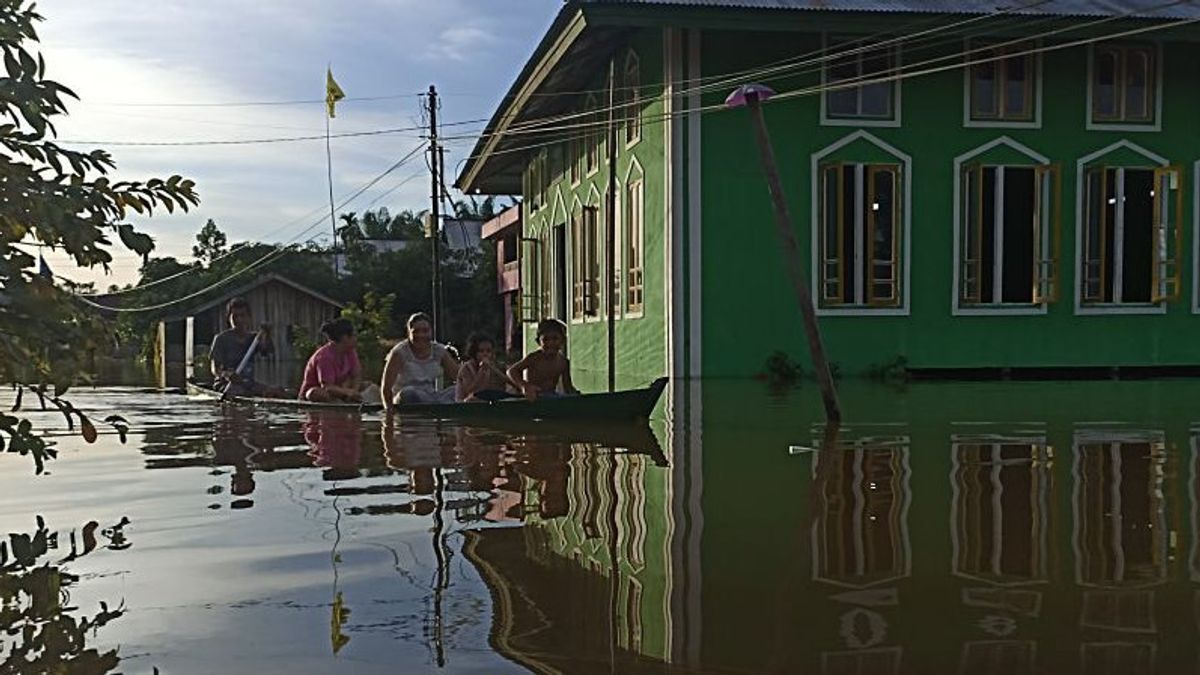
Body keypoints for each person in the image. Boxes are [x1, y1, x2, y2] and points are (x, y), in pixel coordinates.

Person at [380, 312, 460, 406]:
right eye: (416, 332)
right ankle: (437, 406)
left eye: (425, 331)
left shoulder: (439, 351)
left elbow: (460, 378)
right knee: (409, 393)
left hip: (431, 396)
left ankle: (437, 406)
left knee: (456, 390)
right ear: (409, 333)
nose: (421, 335)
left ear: (431, 331)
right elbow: (386, 388)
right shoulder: (399, 353)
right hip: (407, 398)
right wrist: (389, 411)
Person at [209, 297, 284, 397]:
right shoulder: (221, 339)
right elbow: (215, 369)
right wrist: (227, 375)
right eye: (235, 316)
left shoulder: (254, 339)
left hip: (249, 384)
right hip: (227, 385)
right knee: (240, 392)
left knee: (279, 391)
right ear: (229, 318)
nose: (239, 320)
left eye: (242, 316)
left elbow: (267, 351)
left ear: (249, 317)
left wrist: (267, 334)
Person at [506, 319, 579, 400]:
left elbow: (568, 387)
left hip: (551, 398)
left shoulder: (563, 362)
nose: (550, 343)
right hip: (532, 398)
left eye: (555, 338)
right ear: (538, 342)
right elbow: (511, 371)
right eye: (545, 339)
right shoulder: (534, 358)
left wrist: (577, 395)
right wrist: (524, 386)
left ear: (563, 340)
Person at [299, 319, 363, 402]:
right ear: (345, 337)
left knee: (370, 386)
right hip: (323, 393)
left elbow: (356, 375)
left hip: (341, 391)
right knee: (315, 393)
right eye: (354, 335)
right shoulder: (324, 357)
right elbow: (328, 387)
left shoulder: (350, 352)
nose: (356, 338)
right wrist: (348, 392)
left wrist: (355, 391)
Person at [455, 333, 521, 402]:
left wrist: (493, 369)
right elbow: (469, 390)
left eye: (488, 351)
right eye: (481, 351)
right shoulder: (466, 368)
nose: (485, 354)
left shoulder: (495, 365)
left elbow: (509, 382)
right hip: (466, 403)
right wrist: (481, 371)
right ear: (474, 352)